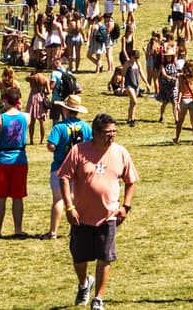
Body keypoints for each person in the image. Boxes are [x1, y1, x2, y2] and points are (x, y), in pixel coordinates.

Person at [59, 112, 138, 310]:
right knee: (79, 257)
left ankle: (98, 299)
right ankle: (84, 284)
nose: (111, 135)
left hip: (108, 216)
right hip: (81, 216)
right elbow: (64, 177)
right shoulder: (79, 151)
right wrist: (69, 207)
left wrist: (125, 206)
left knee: (105, 257)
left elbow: (131, 181)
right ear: (95, 132)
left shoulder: (120, 152)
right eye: (107, 132)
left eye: (114, 131)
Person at [44, 94, 92, 241]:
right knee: (75, 199)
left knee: (58, 199)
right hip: (78, 168)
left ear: (65, 109)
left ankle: (53, 232)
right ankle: (76, 229)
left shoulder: (59, 127)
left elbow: (51, 146)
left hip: (59, 166)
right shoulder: (85, 127)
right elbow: (90, 144)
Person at [0, 85, 28, 238]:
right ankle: (18, 229)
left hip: (1, 159)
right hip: (20, 159)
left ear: (5, 99)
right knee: (18, 196)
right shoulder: (26, 117)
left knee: (0, 197)